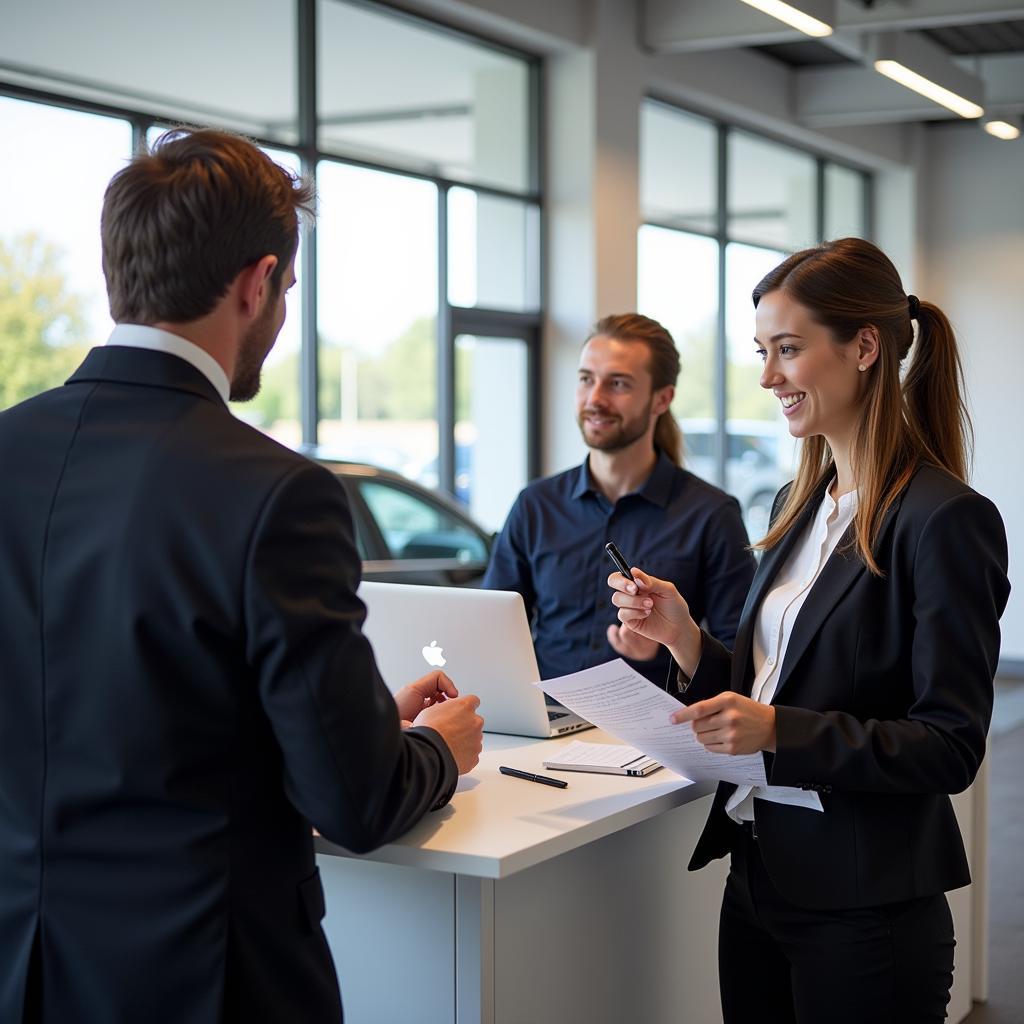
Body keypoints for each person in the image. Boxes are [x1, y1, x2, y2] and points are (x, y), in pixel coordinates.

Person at [0, 128, 484, 1023]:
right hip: (206, 981)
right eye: (288, 291)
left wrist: (367, 722)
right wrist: (432, 753)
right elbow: (355, 803)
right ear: (258, 283)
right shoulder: (277, 494)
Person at [609, 238, 1010, 1023]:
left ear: (864, 347)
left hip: (868, 911)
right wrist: (686, 637)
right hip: (759, 881)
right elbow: (774, 689)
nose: (767, 377)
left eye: (787, 350)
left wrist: (778, 732)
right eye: (763, 352)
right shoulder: (798, 508)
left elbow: (950, 743)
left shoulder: (945, 520)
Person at [484, 313, 755, 686]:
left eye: (618, 384)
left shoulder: (711, 515)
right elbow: (493, 630)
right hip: (546, 726)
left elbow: (741, 661)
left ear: (662, 399)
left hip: (653, 735)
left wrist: (669, 646)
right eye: (586, 379)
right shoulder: (535, 506)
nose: (595, 399)